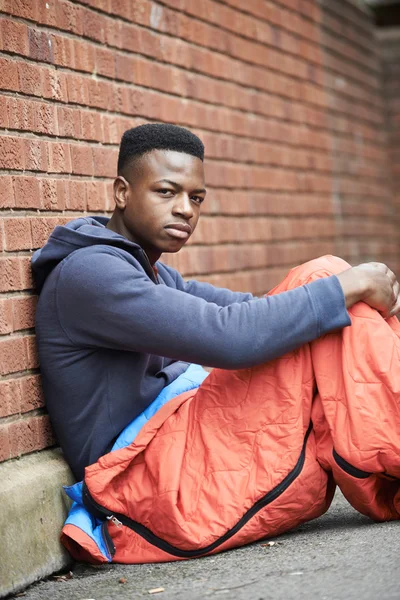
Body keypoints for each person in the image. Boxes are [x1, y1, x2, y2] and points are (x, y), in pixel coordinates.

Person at [32, 123, 400, 564]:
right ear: (122, 192)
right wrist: (349, 283)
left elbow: (258, 310)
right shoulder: (91, 275)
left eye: (196, 198)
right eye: (167, 192)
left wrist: (349, 288)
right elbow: (231, 337)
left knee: (323, 301)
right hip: (142, 484)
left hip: (179, 456)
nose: (185, 210)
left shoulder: (151, 272)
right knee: (325, 280)